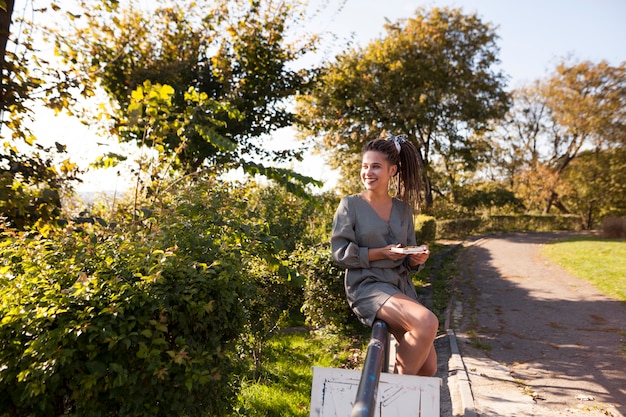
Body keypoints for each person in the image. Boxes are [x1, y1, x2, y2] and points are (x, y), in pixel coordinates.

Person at [331, 134, 438, 376]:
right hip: (368, 286)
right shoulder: (350, 205)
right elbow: (340, 254)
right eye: (365, 166)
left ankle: (393, 397)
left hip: (399, 288)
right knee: (428, 322)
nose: (368, 172)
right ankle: (389, 399)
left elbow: (408, 257)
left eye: (376, 166)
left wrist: (415, 258)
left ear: (392, 171)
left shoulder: (403, 210)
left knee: (428, 367)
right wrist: (381, 253)